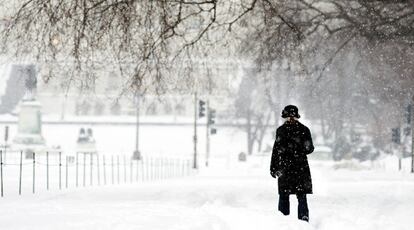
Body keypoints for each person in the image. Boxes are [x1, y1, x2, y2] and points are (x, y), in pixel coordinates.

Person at [270, 105, 314, 222]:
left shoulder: (304, 130)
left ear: (296, 117)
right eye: (288, 116)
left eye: (292, 117)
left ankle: (303, 220)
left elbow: (309, 149)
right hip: (285, 169)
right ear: (285, 117)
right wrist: (273, 168)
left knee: (302, 196)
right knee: (284, 196)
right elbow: (276, 150)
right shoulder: (281, 131)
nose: (290, 119)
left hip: (299, 168)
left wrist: (304, 146)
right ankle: (283, 222)